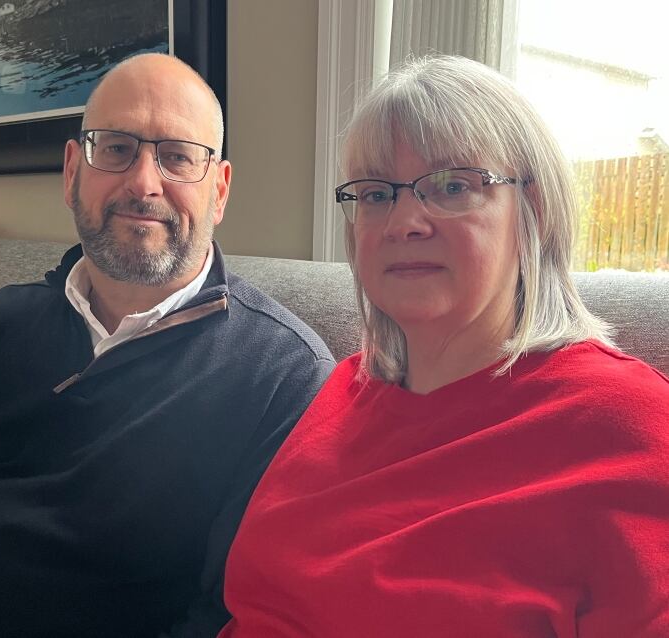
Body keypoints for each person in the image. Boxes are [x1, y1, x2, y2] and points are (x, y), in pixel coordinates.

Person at [218, 55, 669, 637]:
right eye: (377, 194)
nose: (404, 220)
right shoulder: (342, 392)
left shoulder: (632, 425)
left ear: (533, 212)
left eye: (453, 186)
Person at [0, 53, 335, 637]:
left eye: (177, 156)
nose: (145, 182)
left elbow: (224, 617)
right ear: (72, 170)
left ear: (220, 192)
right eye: (116, 148)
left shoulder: (281, 376)